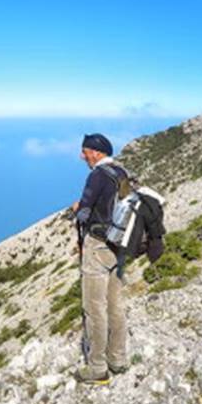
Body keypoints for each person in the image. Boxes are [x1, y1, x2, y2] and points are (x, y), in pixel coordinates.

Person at [70, 133, 129, 385]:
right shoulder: (121, 172)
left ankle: (97, 368)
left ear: (96, 152)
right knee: (115, 303)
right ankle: (118, 359)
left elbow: (84, 212)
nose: (82, 156)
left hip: (98, 246)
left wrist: (77, 209)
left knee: (94, 307)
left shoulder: (97, 175)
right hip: (119, 246)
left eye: (85, 151)